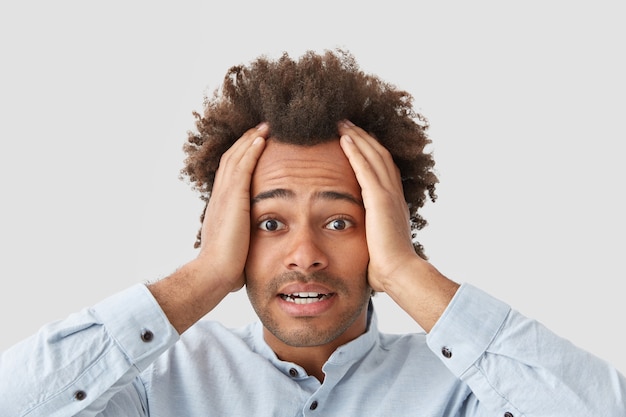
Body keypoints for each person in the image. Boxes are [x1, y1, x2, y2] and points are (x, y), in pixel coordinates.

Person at [1, 49, 624, 417]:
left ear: (384, 231)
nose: (305, 255)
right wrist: (201, 278)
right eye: (269, 223)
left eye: (339, 221)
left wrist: (409, 275)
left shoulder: (467, 389)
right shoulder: (150, 382)